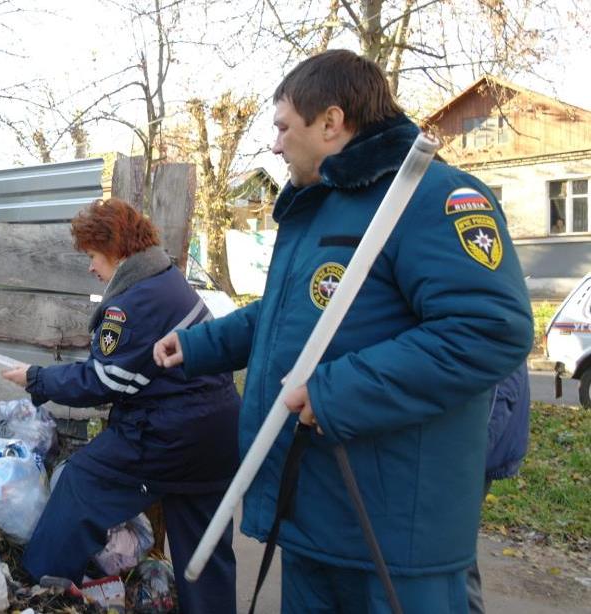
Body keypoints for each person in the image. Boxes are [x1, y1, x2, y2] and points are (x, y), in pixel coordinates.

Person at [153, 49, 533, 613]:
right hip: (312, 509)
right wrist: (197, 344)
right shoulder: (319, 210)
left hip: (390, 533)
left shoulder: (433, 197)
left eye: (283, 127)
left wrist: (336, 393)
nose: (275, 145)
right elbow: (287, 317)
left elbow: (487, 329)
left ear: (331, 122)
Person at [2, 198, 241, 613]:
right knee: (205, 548)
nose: (91, 266)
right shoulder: (166, 278)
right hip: (217, 431)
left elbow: (103, 381)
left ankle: (38, 592)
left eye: (93, 255)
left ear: (115, 249)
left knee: (80, 482)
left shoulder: (131, 303)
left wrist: (37, 379)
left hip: (169, 433)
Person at [467, 362, 531, 613]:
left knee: (454, 562)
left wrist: (462, 463)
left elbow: (498, 400)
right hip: (470, 458)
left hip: (467, 463)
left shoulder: (494, 330)